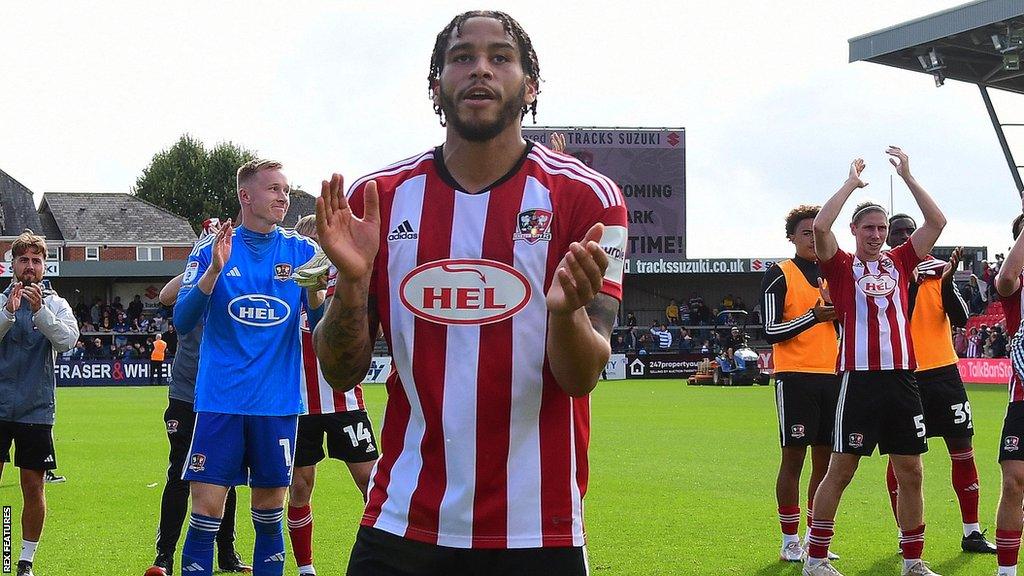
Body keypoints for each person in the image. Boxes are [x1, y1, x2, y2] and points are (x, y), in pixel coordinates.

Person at [313, 10, 627, 575]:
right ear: (436, 84)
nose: (480, 69)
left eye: (500, 57)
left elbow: (582, 377)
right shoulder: (379, 198)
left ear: (530, 85)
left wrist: (564, 316)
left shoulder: (588, 198)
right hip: (401, 518)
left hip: (538, 527)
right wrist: (354, 285)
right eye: (462, 57)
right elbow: (340, 371)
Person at [804, 150, 946, 576]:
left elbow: (937, 223)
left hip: (903, 379)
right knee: (841, 470)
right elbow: (819, 226)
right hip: (859, 380)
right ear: (854, 230)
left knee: (912, 472)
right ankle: (815, 558)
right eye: (868, 227)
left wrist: (908, 176)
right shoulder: (842, 265)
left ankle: (913, 561)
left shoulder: (901, 260)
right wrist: (851, 184)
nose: (876, 234)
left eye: (881, 228)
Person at [174, 159, 318, 576]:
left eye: (285, 189)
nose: (283, 197)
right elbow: (183, 321)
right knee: (205, 511)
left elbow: (322, 326)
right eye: (273, 189)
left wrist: (319, 295)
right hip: (221, 401)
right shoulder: (211, 248)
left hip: (277, 405)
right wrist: (214, 273)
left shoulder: (303, 253)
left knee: (270, 512)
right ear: (245, 196)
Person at [881, 214, 993, 553]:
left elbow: (960, 317)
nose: (904, 236)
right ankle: (906, 535)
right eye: (897, 232)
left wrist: (944, 281)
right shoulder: (886, 271)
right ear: (890, 240)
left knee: (963, 451)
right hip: (904, 375)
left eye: (908, 230)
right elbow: (901, 312)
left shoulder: (938, 270)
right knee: (903, 460)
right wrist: (913, 281)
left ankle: (971, 532)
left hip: (944, 374)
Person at [144, 226, 250, 576]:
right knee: (180, 474)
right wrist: (202, 255)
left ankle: (227, 553)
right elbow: (164, 295)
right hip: (186, 394)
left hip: (224, 396)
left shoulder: (236, 282)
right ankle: (164, 555)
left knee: (227, 476)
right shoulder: (195, 283)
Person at [286, 214, 380, 576]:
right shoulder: (285, 284)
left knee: (370, 483)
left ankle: (380, 559)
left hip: (346, 401)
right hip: (299, 403)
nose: (317, 252)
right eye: (310, 244)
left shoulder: (346, 281)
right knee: (300, 486)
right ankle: (306, 568)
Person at [761, 205, 840, 562]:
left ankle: (815, 536)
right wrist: (814, 316)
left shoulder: (835, 274)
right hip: (794, 378)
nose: (813, 238)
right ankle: (789, 539)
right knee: (793, 459)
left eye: (817, 232)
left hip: (835, 377)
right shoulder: (780, 273)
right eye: (805, 233)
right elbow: (769, 330)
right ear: (792, 237)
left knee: (826, 463)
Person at [0, 230, 79, 576]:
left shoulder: (56, 304)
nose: (30, 267)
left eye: (36, 261)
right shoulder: (2, 300)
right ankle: (4, 551)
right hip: (0, 407)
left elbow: (67, 341)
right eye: (24, 260)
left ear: (44, 266)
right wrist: (8, 312)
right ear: (12, 264)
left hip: (36, 408)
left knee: (33, 487)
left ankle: (25, 561)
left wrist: (39, 312)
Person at [992, 210, 1024, 576]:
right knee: (1014, 480)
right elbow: (1005, 278)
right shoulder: (1016, 286)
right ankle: (1006, 572)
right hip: (1022, 398)